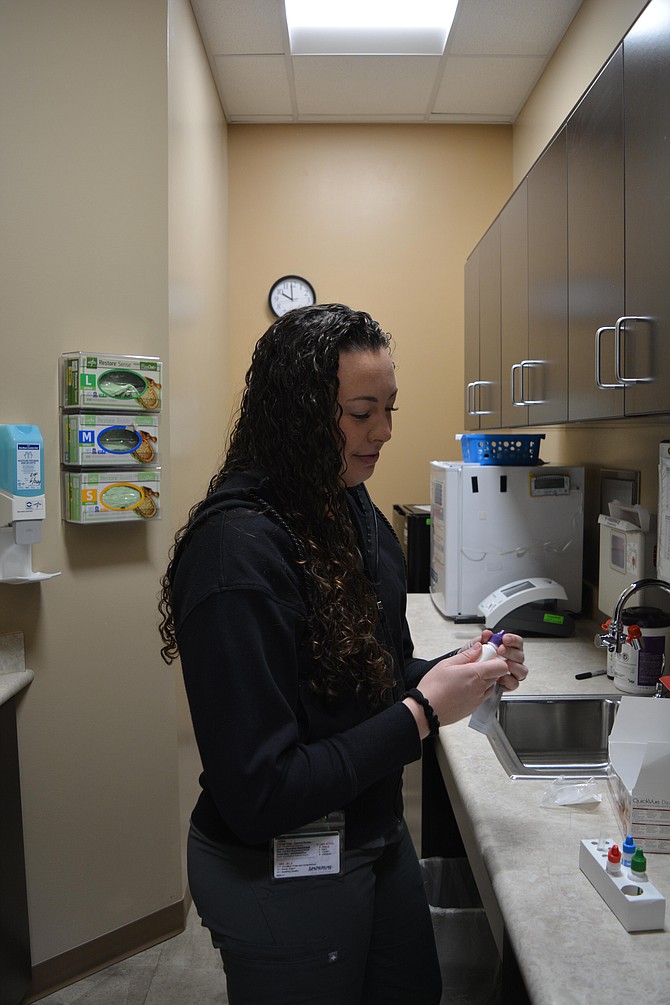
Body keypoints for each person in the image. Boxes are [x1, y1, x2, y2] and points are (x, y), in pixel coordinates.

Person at [159, 303, 528, 1005]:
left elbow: (369, 675)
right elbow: (262, 791)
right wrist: (423, 711)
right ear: (299, 413)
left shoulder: (346, 505)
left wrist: (461, 672)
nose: (384, 432)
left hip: (368, 830)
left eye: (389, 407)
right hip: (275, 863)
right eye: (362, 412)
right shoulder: (235, 554)